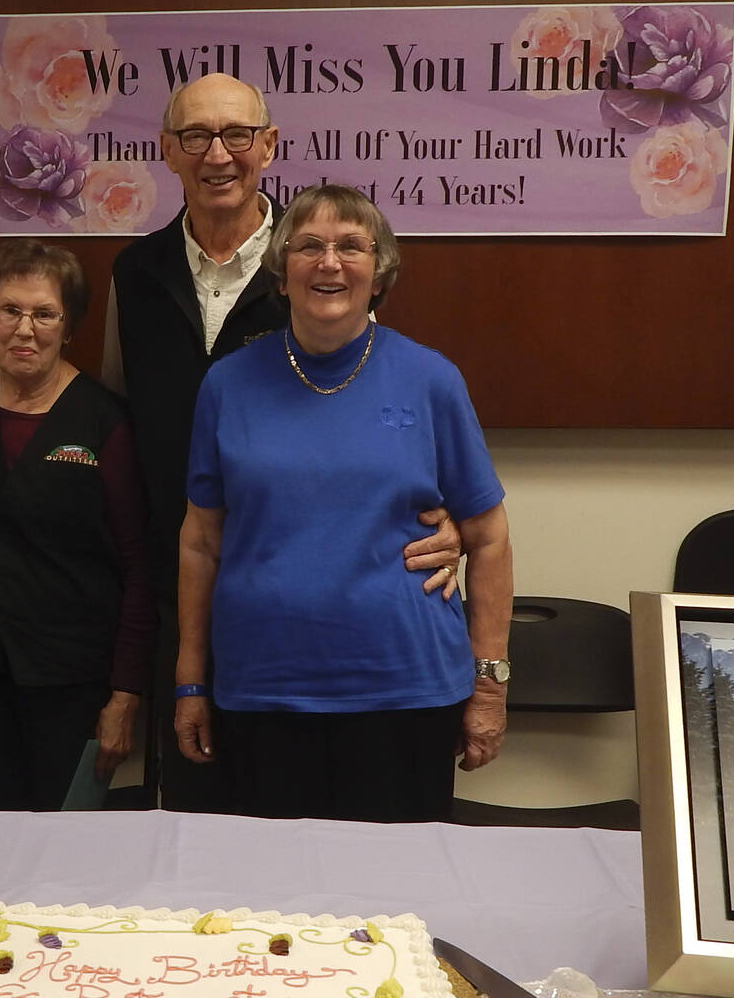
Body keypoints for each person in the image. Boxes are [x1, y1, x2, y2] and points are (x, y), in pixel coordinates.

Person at [105, 74, 460, 812]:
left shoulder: (317, 272)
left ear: (269, 145)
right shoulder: (133, 274)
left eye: (238, 134)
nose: (218, 154)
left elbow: (397, 412)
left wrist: (448, 519)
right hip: (188, 592)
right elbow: (116, 427)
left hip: (323, 619)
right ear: (166, 150)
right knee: (213, 837)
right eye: (195, 136)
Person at [173, 185, 512, 821]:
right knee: (272, 907)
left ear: (379, 273)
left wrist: (489, 685)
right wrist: (190, 681)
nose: (330, 263)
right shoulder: (227, 385)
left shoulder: (431, 379)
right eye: (309, 247)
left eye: (352, 246)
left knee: (396, 908)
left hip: (404, 694)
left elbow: (488, 536)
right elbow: (200, 541)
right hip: (262, 694)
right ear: (280, 270)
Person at [0, 240, 153, 809]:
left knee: (65, 861)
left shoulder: (104, 422)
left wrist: (125, 694)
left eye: (44, 313)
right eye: (10, 310)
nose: (25, 329)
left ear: (68, 325)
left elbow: (138, 565)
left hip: (72, 688)